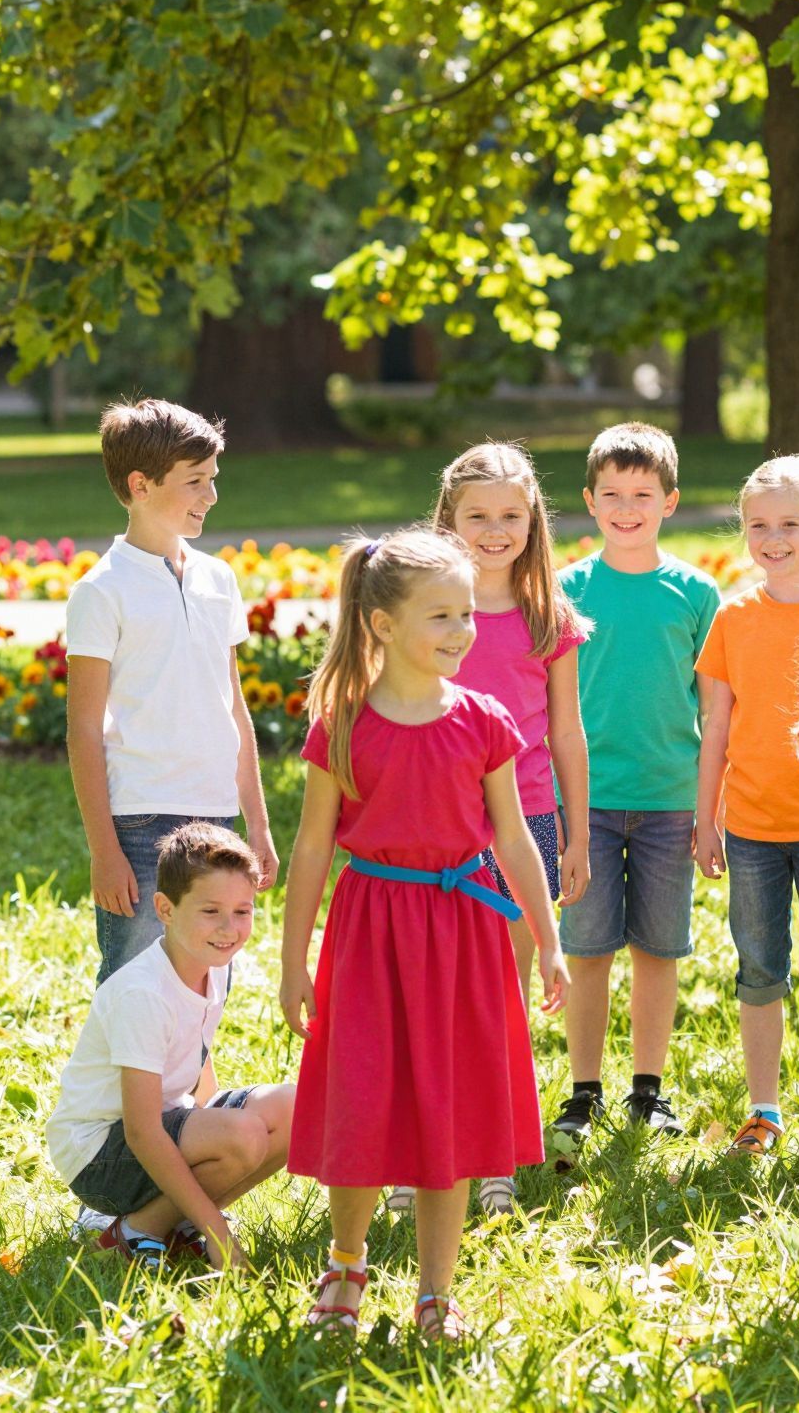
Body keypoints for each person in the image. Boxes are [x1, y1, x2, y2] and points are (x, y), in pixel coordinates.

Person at [280, 527, 569, 1342]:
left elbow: (514, 838)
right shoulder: (342, 723)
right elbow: (311, 845)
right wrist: (292, 958)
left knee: (452, 1107)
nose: (461, 631)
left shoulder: (483, 719)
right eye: (440, 616)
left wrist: (546, 940)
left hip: (466, 933)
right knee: (363, 1095)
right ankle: (346, 1259)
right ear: (380, 624)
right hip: (371, 932)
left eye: (466, 614)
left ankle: (436, 1291)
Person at [65, 398, 278, 985]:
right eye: (195, 482)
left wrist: (256, 824)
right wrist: (105, 851)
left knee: (211, 979)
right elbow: (83, 729)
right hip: (138, 823)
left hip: (217, 815)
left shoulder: (218, 579)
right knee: (135, 982)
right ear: (141, 485)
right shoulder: (101, 592)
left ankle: (195, 1083)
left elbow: (233, 707)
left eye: (212, 480)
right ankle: (130, 1083)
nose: (210, 497)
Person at [431, 440, 591, 1218]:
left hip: (523, 825)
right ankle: (425, 1155)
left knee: (501, 996)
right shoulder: (424, 610)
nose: (494, 531)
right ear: (448, 518)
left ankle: (495, 1156)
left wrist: (578, 833)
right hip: (435, 826)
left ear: (533, 521)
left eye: (510, 516)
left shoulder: (547, 617)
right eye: (477, 516)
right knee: (432, 996)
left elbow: (567, 735)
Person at [550, 422, 721, 1145]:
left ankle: (647, 1090)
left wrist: (708, 810)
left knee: (658, 948)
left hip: (667, 801)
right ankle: (583, 1090)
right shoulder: (564, 590)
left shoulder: (696, 593)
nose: (627, 508)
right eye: (613, 495)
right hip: (582, 804)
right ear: (590, 501)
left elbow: (714, 710)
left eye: (642, 494)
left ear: (670, 501)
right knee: (586, 950)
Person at [47, 823, 295, 1272]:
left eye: (243, 911)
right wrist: (218, 1225)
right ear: (165, 908)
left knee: (295, 1108)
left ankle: (179, 1225)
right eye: (210, 911)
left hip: (160, 1122)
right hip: (99, 1152)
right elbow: (142, 1131)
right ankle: (134, 1231)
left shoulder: (212, 963)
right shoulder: (143, 992)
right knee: (244, 1136)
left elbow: (194, 1049)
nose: (228, 928)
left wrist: (212, 1119)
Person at [694, 455, 799, 1159]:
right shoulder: (733, 617)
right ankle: (765, 1109)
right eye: (758, 525)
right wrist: (706, 817)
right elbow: (716, 729)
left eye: (790, 524)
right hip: (751, 829)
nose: (773, 538)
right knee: (760, 969)